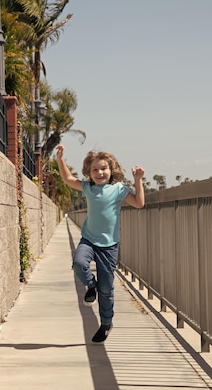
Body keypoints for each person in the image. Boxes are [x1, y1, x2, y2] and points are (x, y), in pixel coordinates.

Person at [55, 144, 145, 344]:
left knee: (107, 288)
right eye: (94, 169)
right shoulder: (88, 188)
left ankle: (106, 323)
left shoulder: (118, 189)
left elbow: (139, 203)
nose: (99, 173)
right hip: (88, 239)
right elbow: (68, 179)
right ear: (89, 172)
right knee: (79, 263)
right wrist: (60, 159)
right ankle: (91, 286)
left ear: (111, 170)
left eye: (103, 168)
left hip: (109, 245)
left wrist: (138, 181)